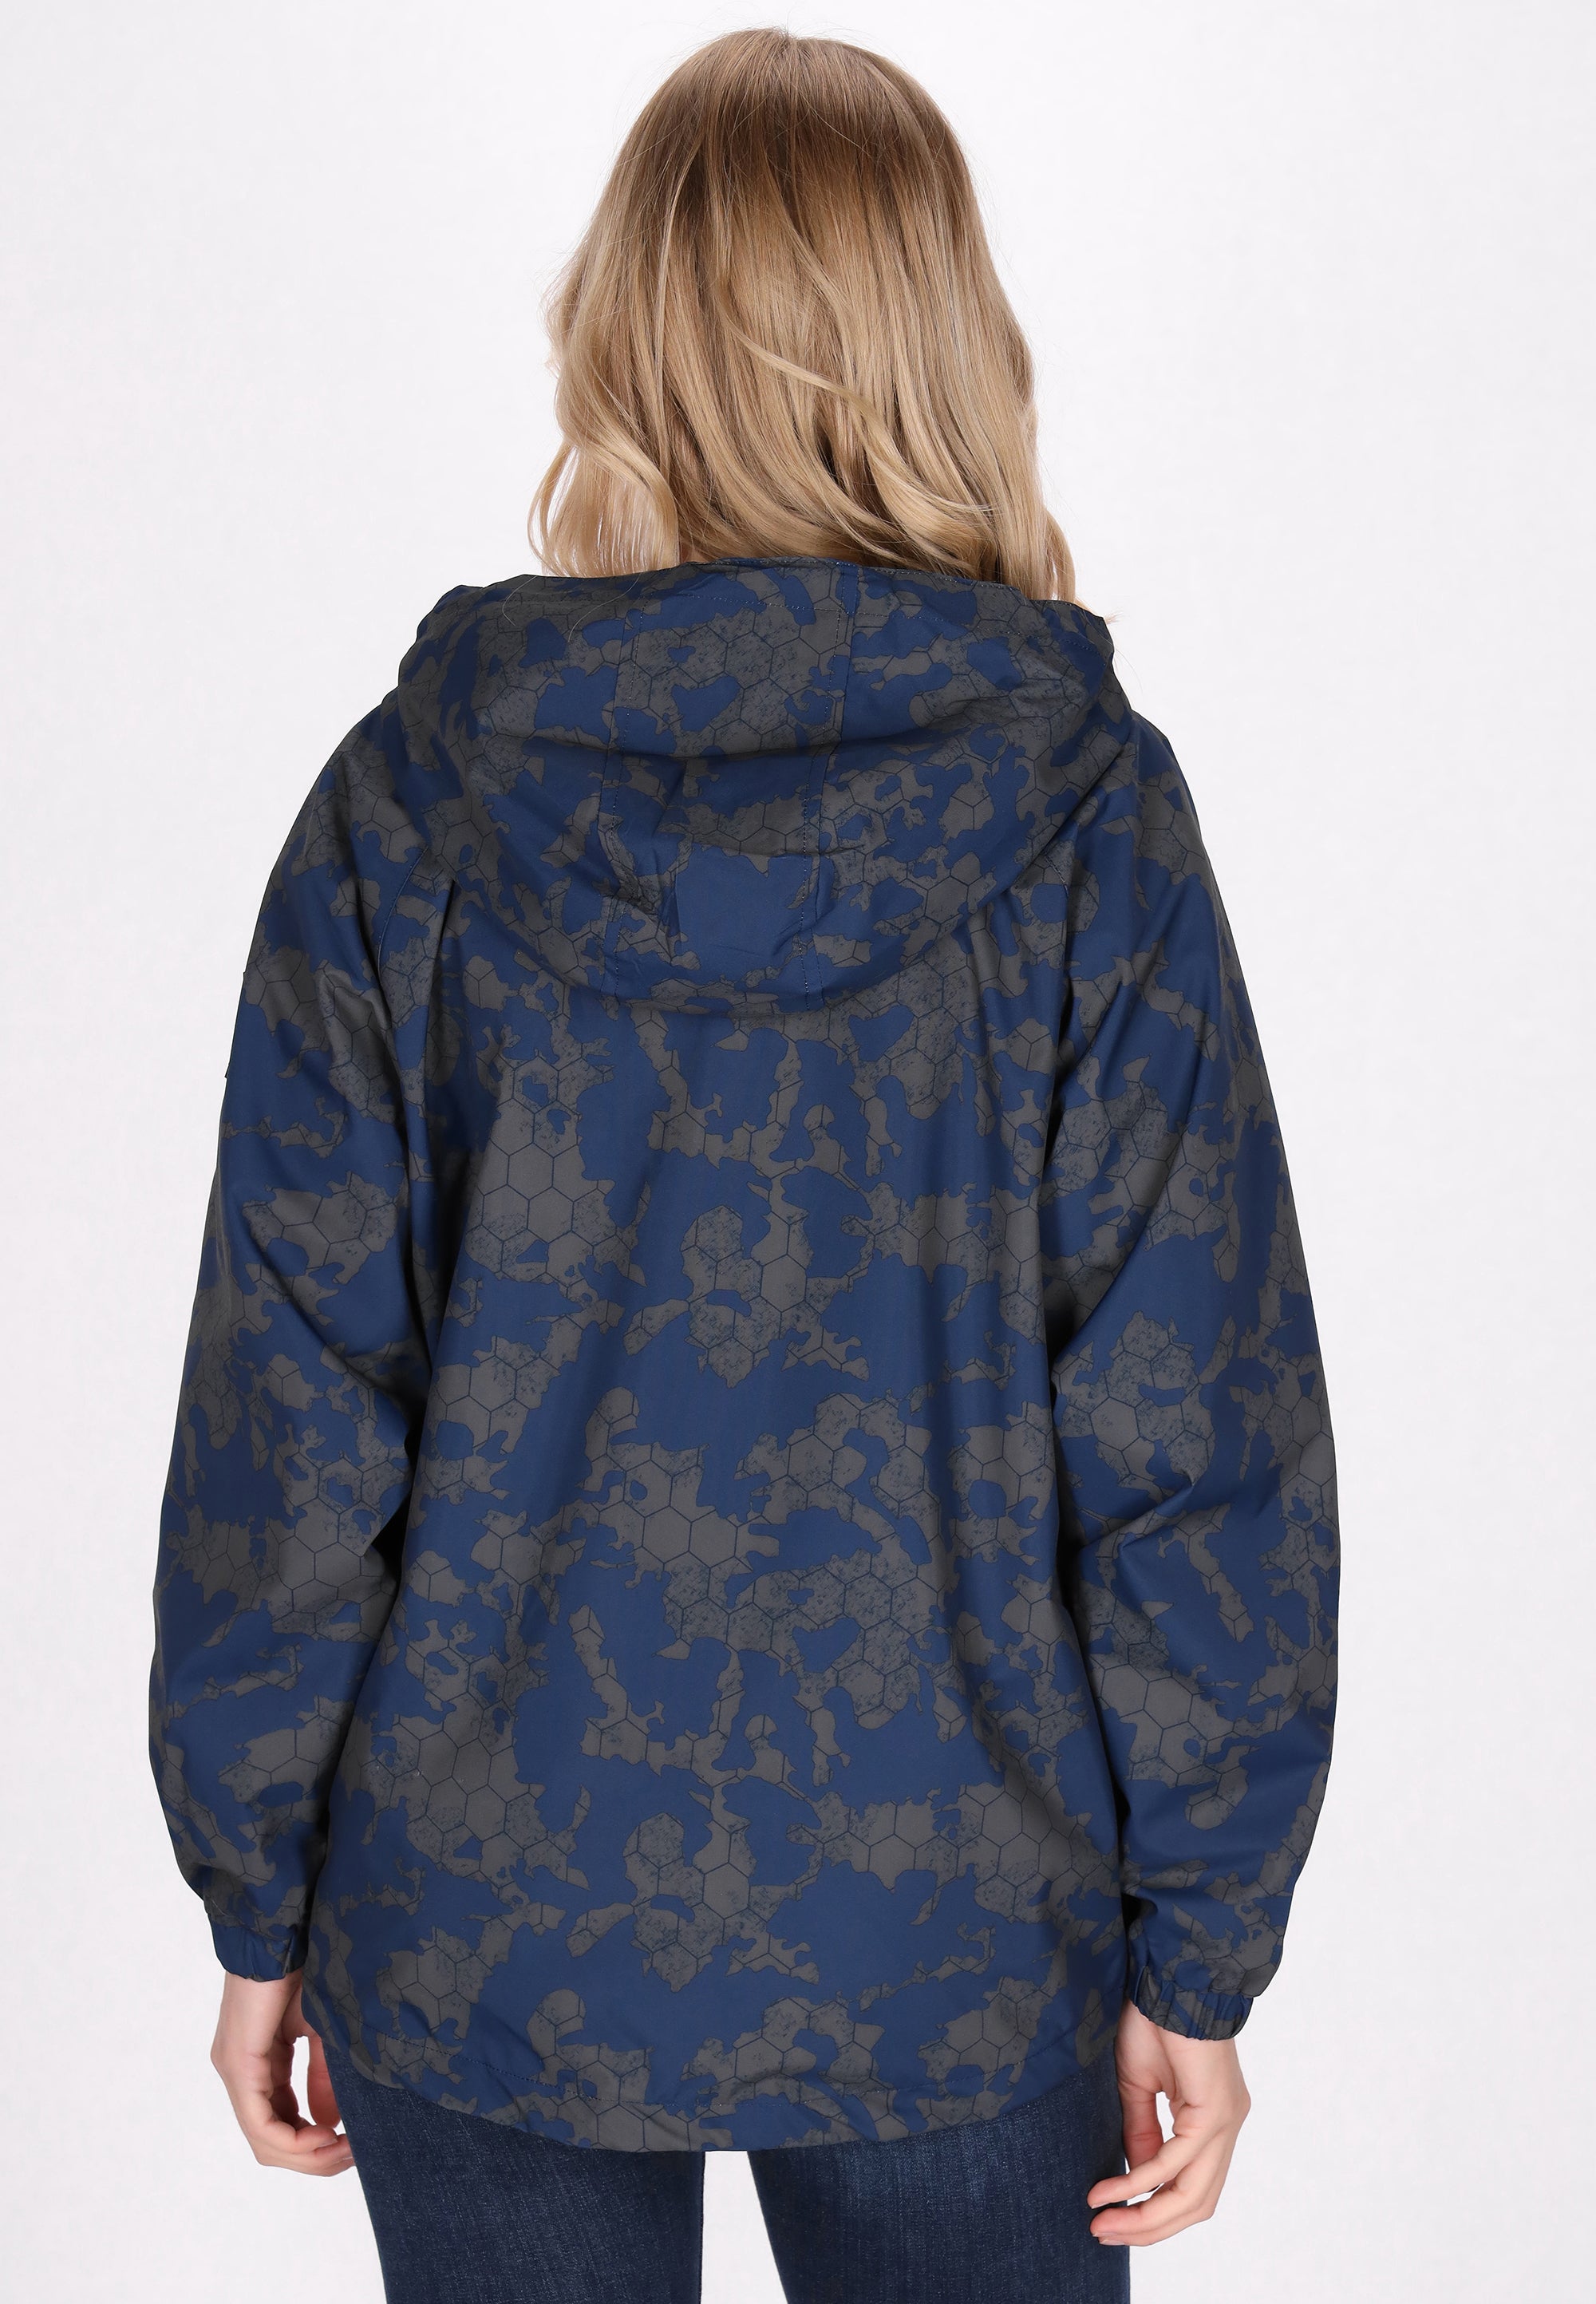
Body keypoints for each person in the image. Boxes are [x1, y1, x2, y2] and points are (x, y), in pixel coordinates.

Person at [151, 28, 1338, 2304]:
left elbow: (286, 1418)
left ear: (627, 338)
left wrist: (257, 1887)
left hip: (479, 1920)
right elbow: (1197, 1420)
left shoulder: (410, 802)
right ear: (947, 344)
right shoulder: (1088, 819)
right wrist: (1203, 1944)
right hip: (959, 1936)